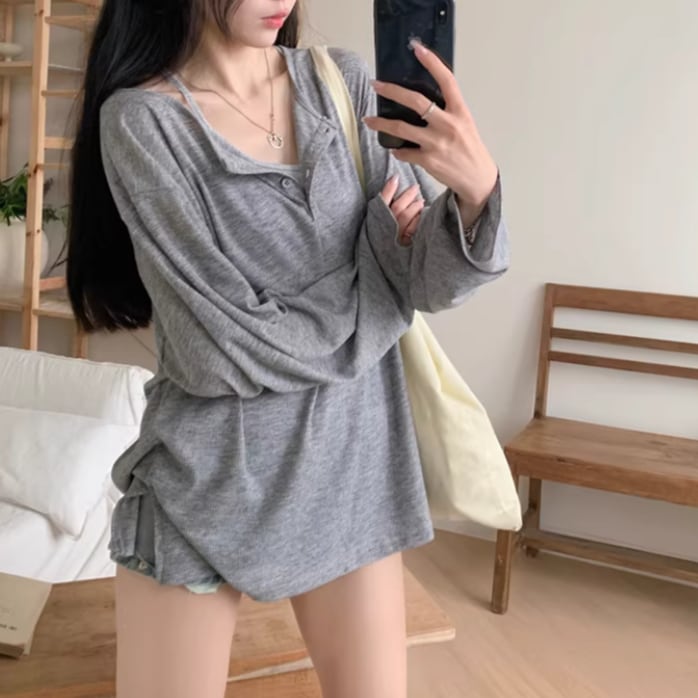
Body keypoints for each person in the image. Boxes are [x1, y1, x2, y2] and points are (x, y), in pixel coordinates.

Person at [66, 1, 509, 696]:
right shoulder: (144, 121)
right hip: (207, 485)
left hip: (352, 469)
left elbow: (424, 281)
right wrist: (372, 272)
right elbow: (216, 348)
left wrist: (476, 195)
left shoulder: (344, 85)